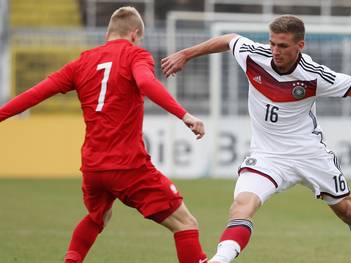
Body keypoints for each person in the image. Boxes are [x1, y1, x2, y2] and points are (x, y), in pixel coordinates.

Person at [162, 15, 351, 263]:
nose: (275, 51)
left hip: (309, 154)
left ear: (300, 46)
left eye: (283, 46)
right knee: (241, 206)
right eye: (272, 44)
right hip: (267, 155)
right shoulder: (254, 55)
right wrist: (185, 54)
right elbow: (229, 40)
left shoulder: (313, 75)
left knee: (348, 212)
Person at [0, 7, 208, 263]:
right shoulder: (136, 54)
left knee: (98, 217)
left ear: (110, 32)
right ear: (134, 34)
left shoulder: (81, 62)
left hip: (94, 167)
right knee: (186, 223)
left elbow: (35, 93)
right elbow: (145, 83)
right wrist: (185, 115)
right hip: (127, 166)